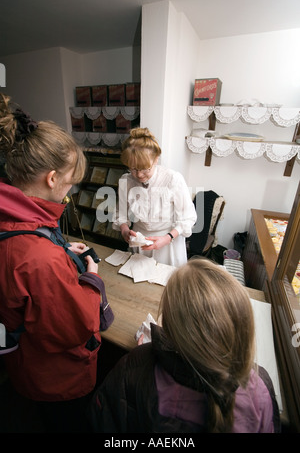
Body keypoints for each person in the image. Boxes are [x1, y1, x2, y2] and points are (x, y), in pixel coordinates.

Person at [0, 93, 104, 432]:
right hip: (55, 379)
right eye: (70, 182)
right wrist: (92, 279)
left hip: (23, 365)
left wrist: (59, 248)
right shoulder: (38, 257)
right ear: (52, 179)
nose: (70, 191)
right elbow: (75, 326)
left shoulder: (16, 217)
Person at [88, 258, 280, 433]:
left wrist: (141, 354)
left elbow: (102, 419)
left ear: (170, 326)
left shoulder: (134, 368)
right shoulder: (260, 387)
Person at [113, 127, 197, 267]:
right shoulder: (125, 181)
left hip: (168, 244)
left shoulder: (173, 179)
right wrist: (124, 230)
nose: (139, 175)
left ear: (156, 159)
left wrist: (168, 238)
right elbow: (120, 214)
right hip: (140, 242)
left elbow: (188, 218)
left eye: (145, 169)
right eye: (133, 169)